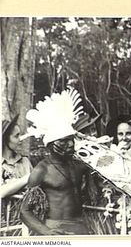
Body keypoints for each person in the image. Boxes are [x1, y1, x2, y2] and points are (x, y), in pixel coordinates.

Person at [20, 88, 90, 235]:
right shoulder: (42, 170)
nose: (70, 145)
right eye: (64, 141)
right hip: (56, 228)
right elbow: (25, 211)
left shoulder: (79, 166)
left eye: (71, 140)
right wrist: (46, 232)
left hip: (81, 227)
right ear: (51, 145)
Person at [1, 115, 33, 198]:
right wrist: (27, 177)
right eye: (16, 136)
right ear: (5, 139)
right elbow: (1, 192)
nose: (20, 139)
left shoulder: (25, 161)